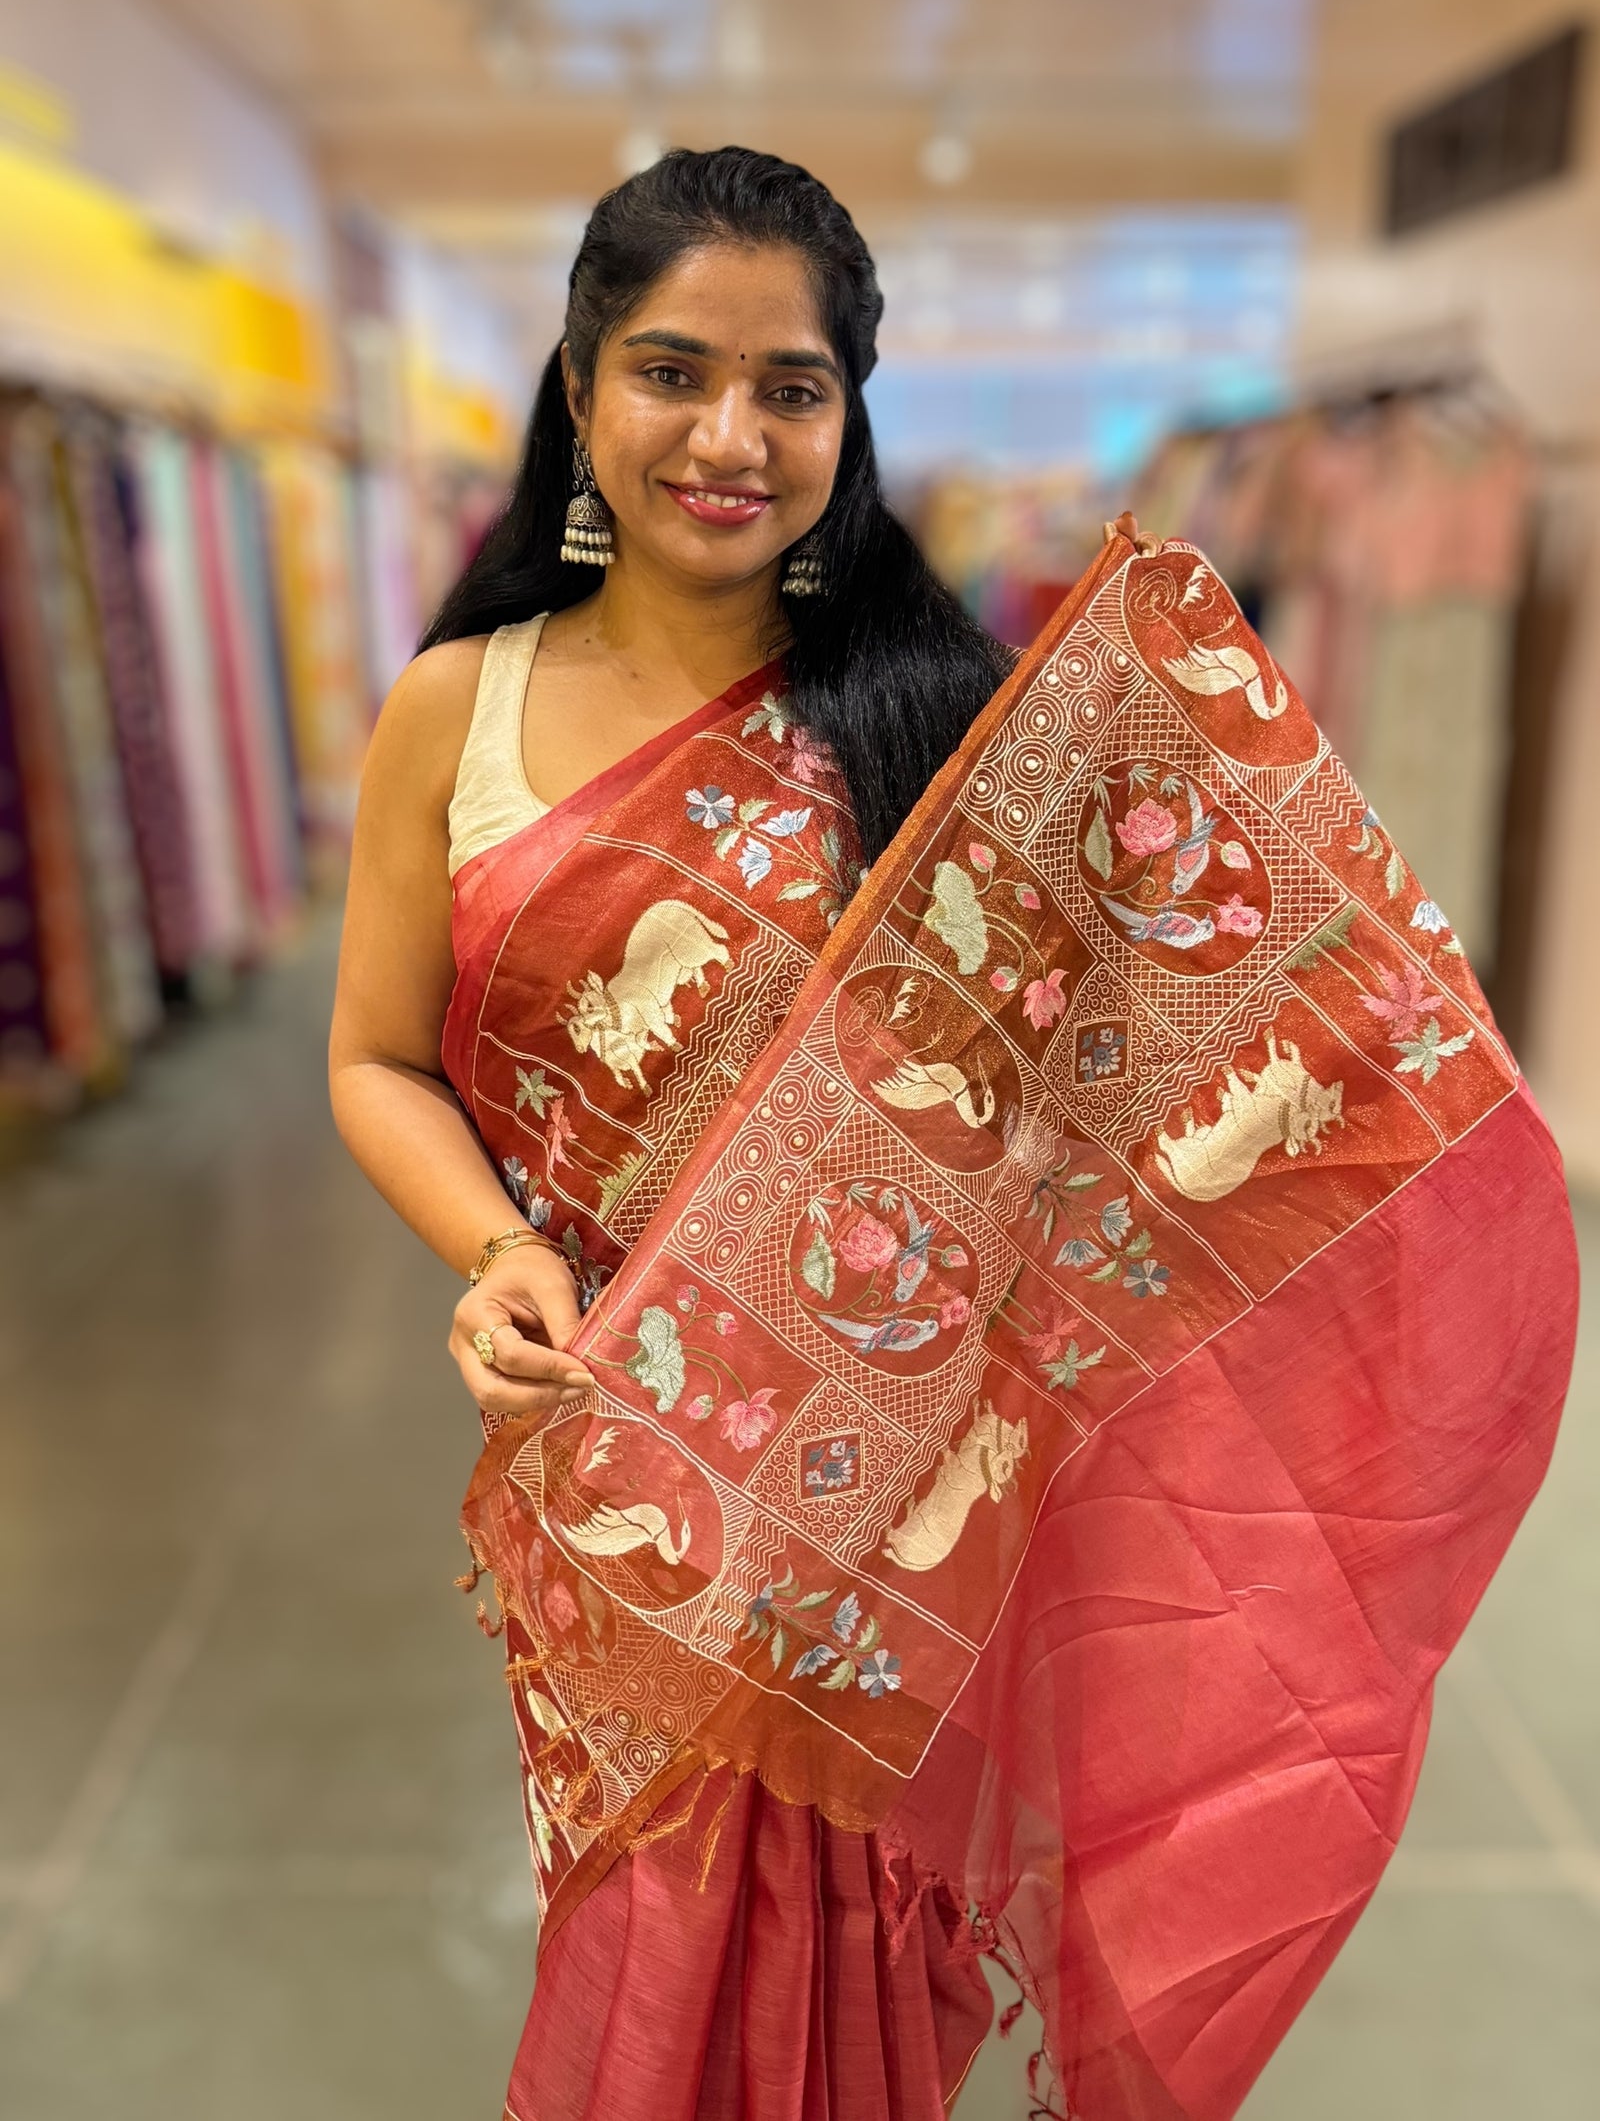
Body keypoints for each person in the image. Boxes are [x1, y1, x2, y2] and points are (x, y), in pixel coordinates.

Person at [330, 149, 1576, 2121]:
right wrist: (496, 1248)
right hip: (623, 1477)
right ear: (576, 389)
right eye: (670, 371)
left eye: (790, 386)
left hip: (882, 1499)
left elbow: (1140, 1058)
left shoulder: (936, 723)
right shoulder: (453, 712)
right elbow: (378, 1056)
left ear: (851, 412)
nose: (726, 434)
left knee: (849, 2000)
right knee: (643, 1948)